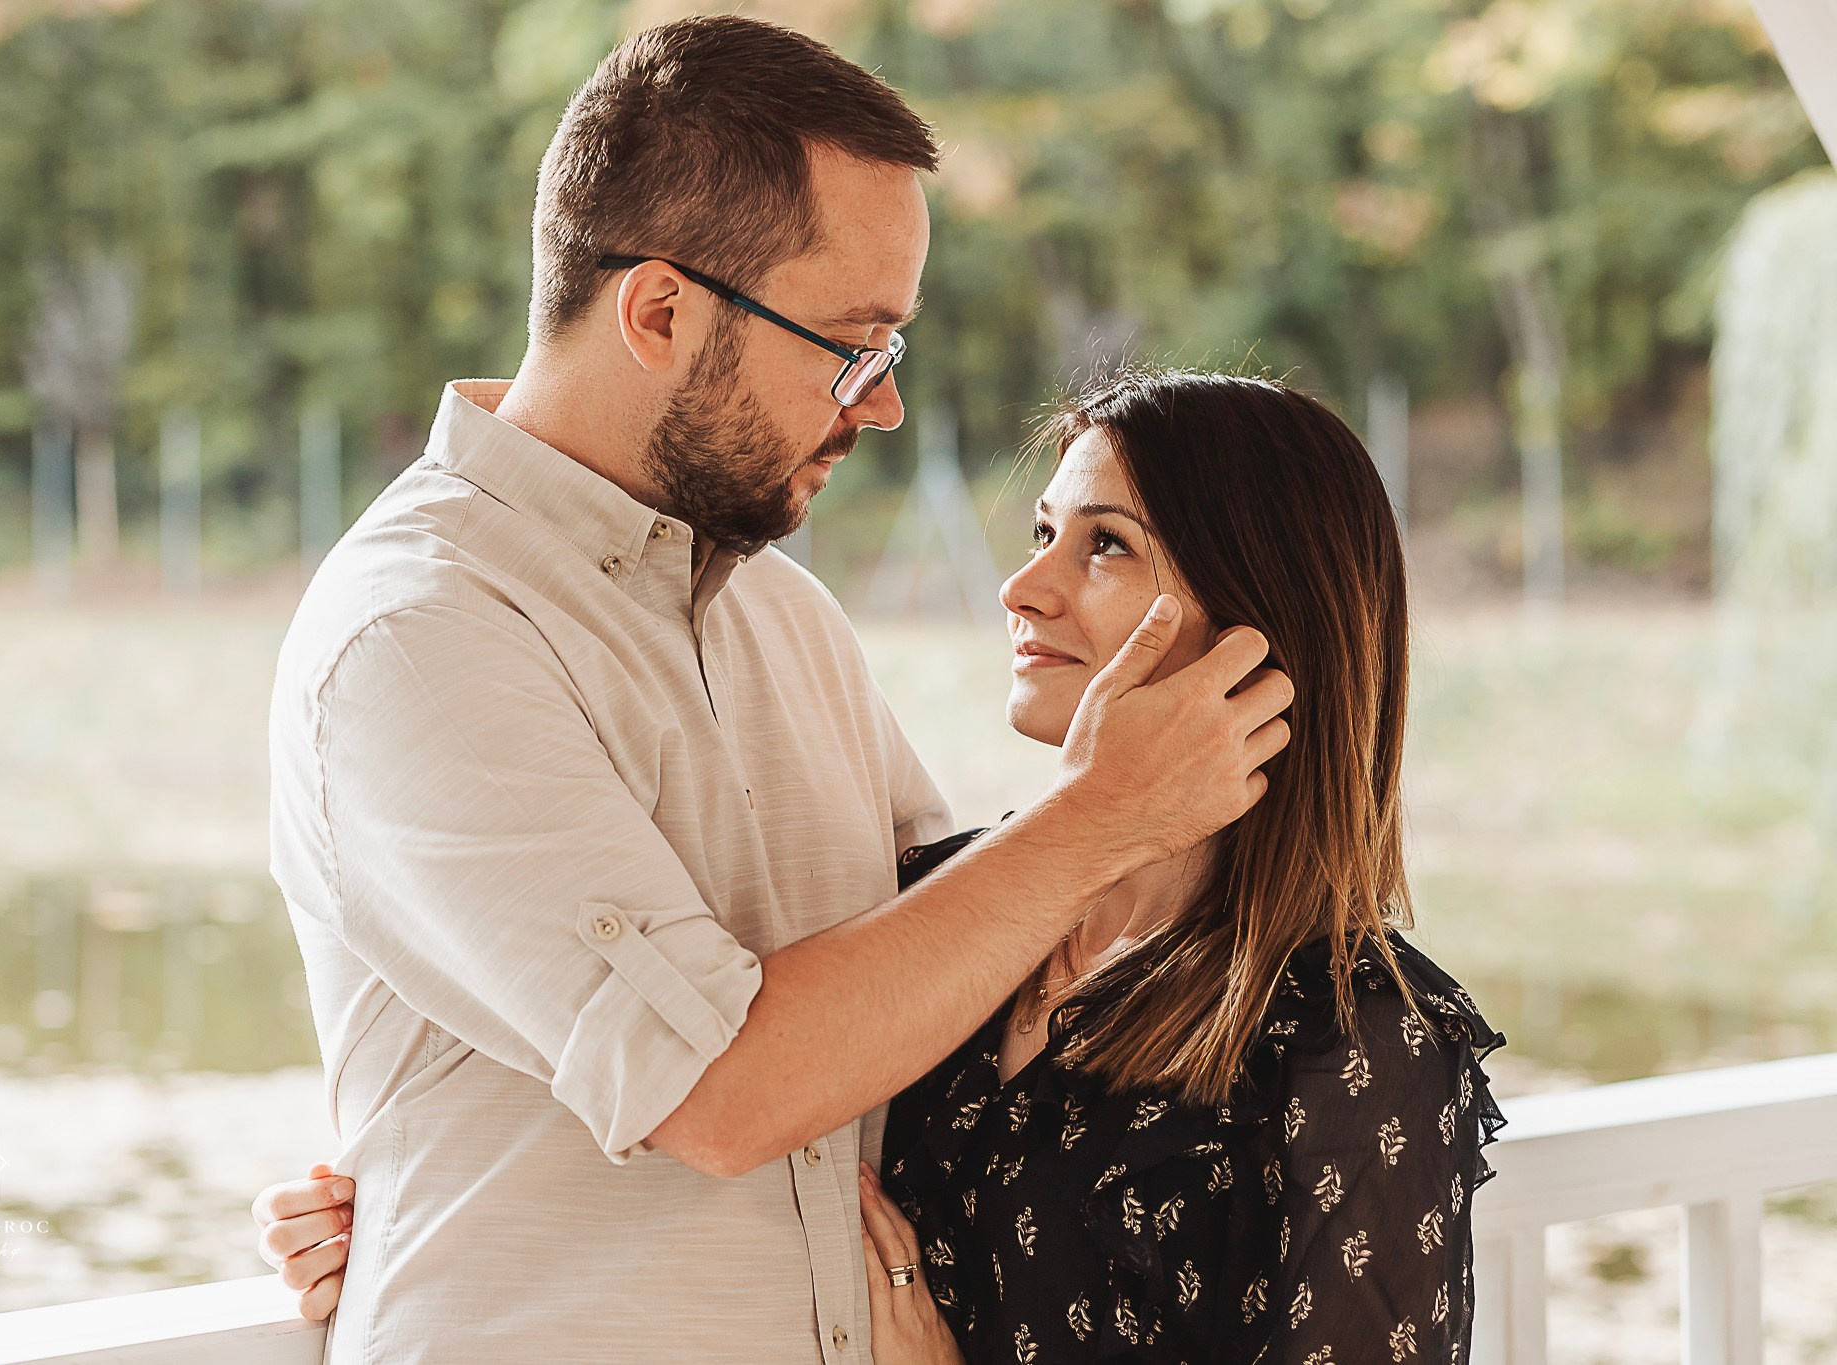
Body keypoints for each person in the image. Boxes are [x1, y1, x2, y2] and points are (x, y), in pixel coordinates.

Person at [259, 15, 1291, 1365]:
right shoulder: (419, 639)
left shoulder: (781, 614)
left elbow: (972, 971)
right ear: (661, 312)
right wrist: (1096, 815)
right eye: (850, 347)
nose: (881, 409)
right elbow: (723, 1090)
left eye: (892, 352)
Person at [262, 368, 1505, 1362]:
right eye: (1039, 533)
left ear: (1260, 619)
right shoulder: (942, 925)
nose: (1024, 587)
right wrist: (405, 1203)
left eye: (1106, 547)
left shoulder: (1353, 1041)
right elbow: (734, 1062)